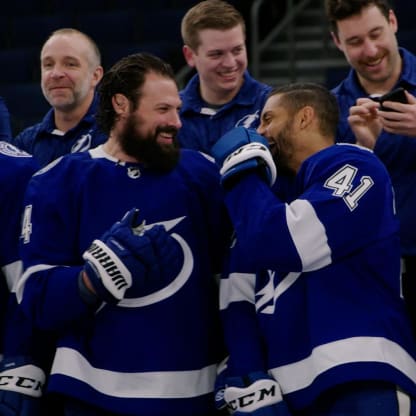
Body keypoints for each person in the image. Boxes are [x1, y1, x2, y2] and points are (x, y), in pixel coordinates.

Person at [15, 52, 230, 416]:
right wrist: (89, 280)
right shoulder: (58, 180)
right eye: (162, 109)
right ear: (121, 105)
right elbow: (34, 299)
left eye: (177, 109)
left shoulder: (203, 174)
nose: (176, 122)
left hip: (194, 392)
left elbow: (237, 274)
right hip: (89, 394)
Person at [211, 83, 416, 415]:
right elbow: (237, 295)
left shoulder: (358, 164)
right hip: (287, 392)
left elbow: (285, 241)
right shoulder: (262, 201)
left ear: (305, 117)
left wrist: (242, 171)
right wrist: (246, 377)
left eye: (268, 119)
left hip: (360, 372)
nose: (260, 133)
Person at [324, 0, 416, 328]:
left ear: (393, 21)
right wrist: (366, 150)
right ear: (337, 42)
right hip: (367, 271)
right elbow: (328, 204)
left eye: (375, 33)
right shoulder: (330, 110)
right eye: (355, 41)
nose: (371, 49)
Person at [177, 0, 272, 155]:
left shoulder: (271, 107)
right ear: (190, 56)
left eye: (237, 50)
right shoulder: (172, 116)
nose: (230, 63)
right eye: (216, 54)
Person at [10, 28, 106, 167]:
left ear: (95, 76)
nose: (56, 74)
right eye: (48, 65)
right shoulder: (25, 144)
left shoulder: (119, 134)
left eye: (70, 64)